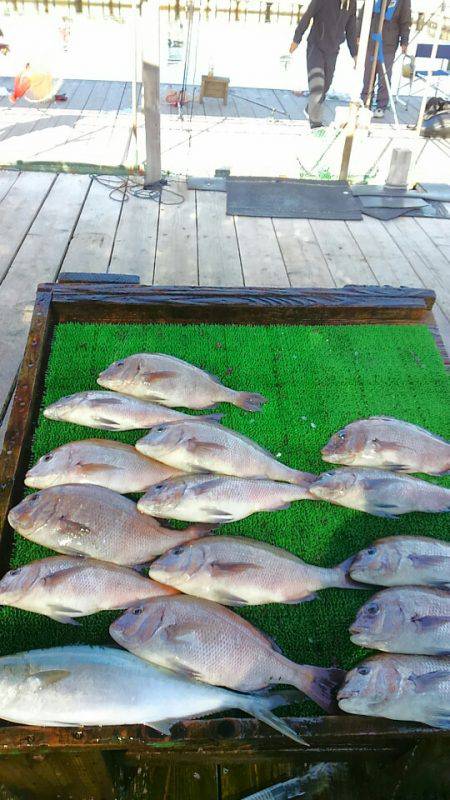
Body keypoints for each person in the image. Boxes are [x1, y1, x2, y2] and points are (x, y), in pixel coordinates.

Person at [289, 0, 357, 130]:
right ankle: (316, 125)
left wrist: (355, 54)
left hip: (333, 49)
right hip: (316, 45)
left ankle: (310, 109)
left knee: (327, 84)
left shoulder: (351, 3)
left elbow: (351, 28)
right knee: (317, 84)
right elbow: (307, 16)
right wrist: (297, 39)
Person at [360, 0, 411, 117]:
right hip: (371, 40)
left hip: (389, 42)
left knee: (384, 75)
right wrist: (358, 33)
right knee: (368, 74)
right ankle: (365, 101)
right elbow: (363, 14)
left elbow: (405, 22)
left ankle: (381, 105)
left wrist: (404, 41)